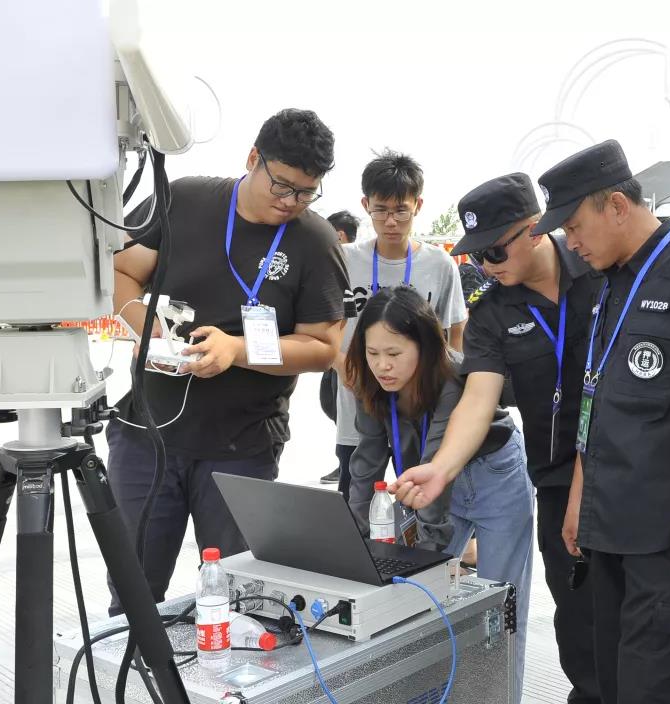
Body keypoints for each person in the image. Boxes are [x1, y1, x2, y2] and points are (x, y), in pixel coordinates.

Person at [109, 108, 350, 614]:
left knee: (235, 599)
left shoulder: (315, 242)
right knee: (132, 592)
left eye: (306, 193)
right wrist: (149, 331)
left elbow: (322, 347)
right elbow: (122, 273)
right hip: (146, 433)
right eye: (281, 185)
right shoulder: (185, 199)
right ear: (253, 158)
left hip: (241, 445)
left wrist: (237, 351)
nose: (290, 202)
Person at [540, 140, 670, 703]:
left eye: (575, 226)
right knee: (610, 686)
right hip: (606, 530)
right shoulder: (607, 280)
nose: (570, 243)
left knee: (658, 689)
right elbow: (598, 393)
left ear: (615, 206)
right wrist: (579, 494)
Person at [391, 173, 603, 704]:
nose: (486, 265)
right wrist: (441, 468)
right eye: (476, 255)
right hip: (557, 481)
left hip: (629, 474)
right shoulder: (491, 312)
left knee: (645, 625)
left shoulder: (601, 269)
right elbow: (478, 399)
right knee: (580, 629)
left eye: (494, 250)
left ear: (534, 229)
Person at [343, 285, 533, 702]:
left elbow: (436, 467)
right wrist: (356, 542)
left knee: (500, 607)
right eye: (373, 353)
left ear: (425, 346)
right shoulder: (368, 383)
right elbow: (365, 463)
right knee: (419, 602)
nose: (382, 365)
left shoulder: (455, 377)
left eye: (394, 353)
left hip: (492, 476)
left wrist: (424, 557)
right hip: (431, 483)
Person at [331, 150, 467, 498]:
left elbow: (455, 336)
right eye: (381, 210)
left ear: (417, 206)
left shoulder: (439, 264)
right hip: (359, 409)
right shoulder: (344, 261)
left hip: (422, 412)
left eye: (400, 210)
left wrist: (449, 397)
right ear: (365, 205)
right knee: (358, 498)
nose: (391, 221)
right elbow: (323, 329)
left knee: (425, 500)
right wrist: (344, 366)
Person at [319, 209, 362, 484]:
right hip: (342, 363)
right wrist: (337, 359)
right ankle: (342, 462)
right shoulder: (333, 265)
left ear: (338, 235)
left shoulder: (348, 262)